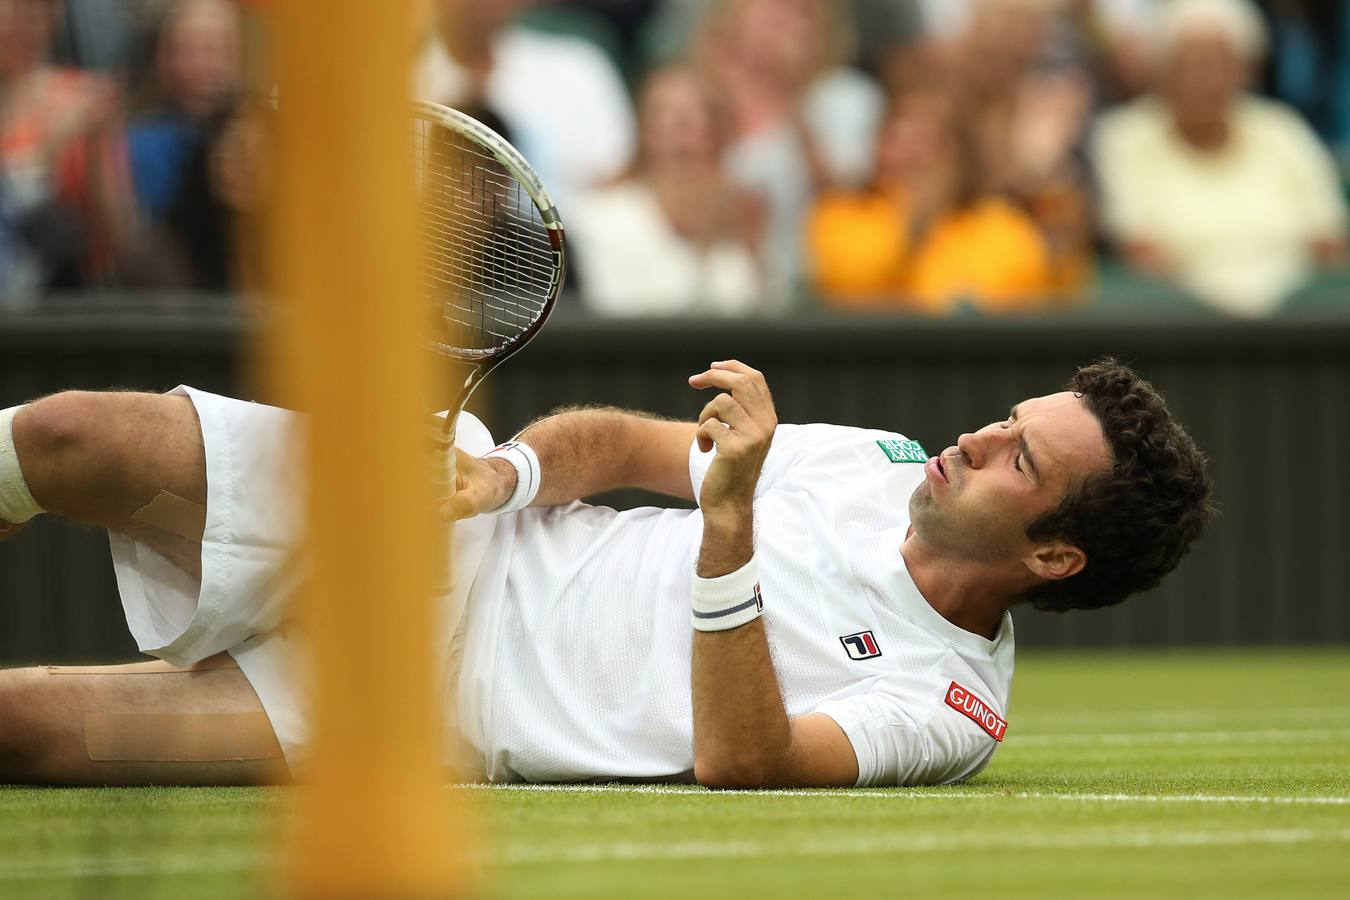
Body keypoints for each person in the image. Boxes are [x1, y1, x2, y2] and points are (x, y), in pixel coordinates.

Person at [0, 358, 1213, 787]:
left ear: (1054, 555)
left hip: (412, 722)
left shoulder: (952, 709)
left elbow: (747, 760)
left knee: (28, 735)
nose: (974, 439)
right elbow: (626, 446)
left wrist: (729, 529)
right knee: (66, 439)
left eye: (1018, 457)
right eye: (1006, 419)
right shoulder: (873, 463)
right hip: (444, 534)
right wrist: (499, 482)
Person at [1092, 0, 1349, 316]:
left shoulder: (1282, 129)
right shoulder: (1123, 138)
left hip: (1296, 326)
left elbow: (1330, 239)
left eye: (1220, 64)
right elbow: (1137, 250)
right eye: (1191, 65)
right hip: (1176, 331)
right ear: (1164, 70)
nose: (1206, 80)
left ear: (1246, 72)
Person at [807, 90, 1072, 312]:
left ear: (960, 158)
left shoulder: (998, 224)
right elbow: (847, 287)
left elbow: (1040, 293)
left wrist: (1046, 177)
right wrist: (912, 223)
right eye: (901, 139)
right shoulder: (840, 211)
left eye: (930, 143)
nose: (915, 158)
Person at [569, 65, 766, 317]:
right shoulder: (596, 218)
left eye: (702, 115)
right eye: (665, 114)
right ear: (644, 130)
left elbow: (760, 314)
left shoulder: (747, 220)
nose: (684, 128)